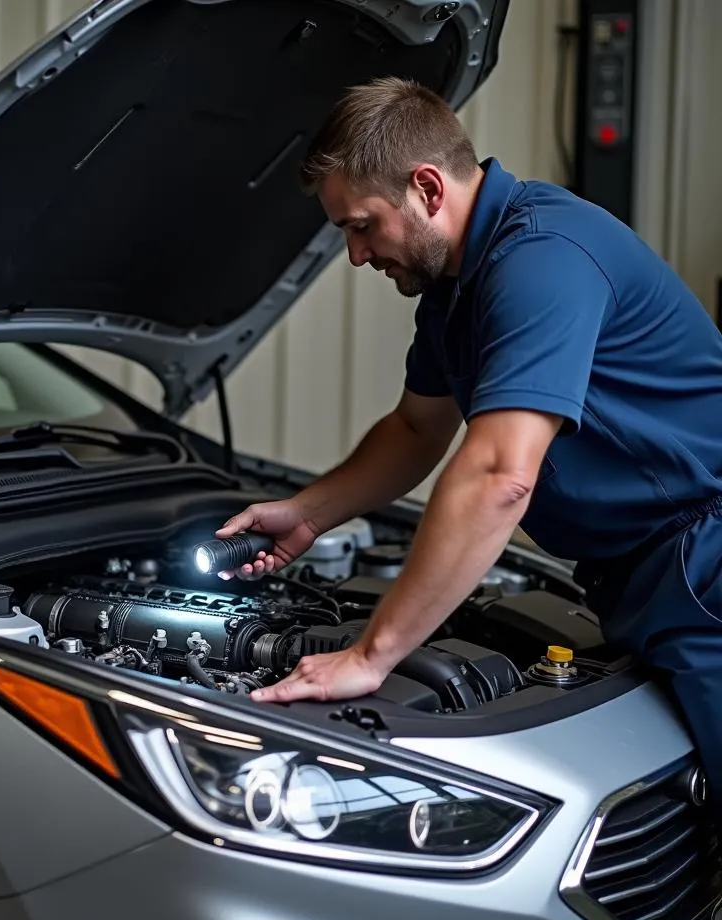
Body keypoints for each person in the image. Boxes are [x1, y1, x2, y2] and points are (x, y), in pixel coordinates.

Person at [215, 76, 722, 809]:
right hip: (643, 576)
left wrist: (370, 655)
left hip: (704, 567)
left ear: (426, 187)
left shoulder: (542, 258)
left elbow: (499, 475)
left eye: (361, 226)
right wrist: (311, 512)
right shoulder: (459, 285)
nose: (356, 255)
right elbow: (418, 428)